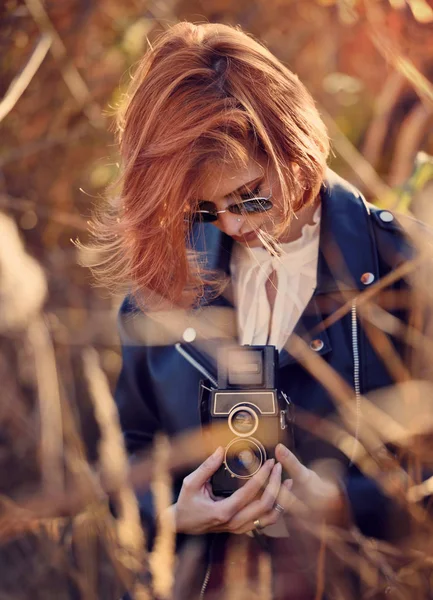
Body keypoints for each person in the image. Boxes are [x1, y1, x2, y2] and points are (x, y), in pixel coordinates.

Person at [87, 21, 433, 600]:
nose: (235, 224)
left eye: (250, 194)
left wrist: (350, 506)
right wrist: (170, 517)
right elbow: (126, 451)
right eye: (203, 208)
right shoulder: (161, 287)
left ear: (293, 141)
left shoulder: (411, 267)